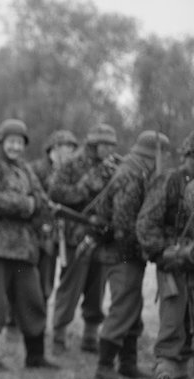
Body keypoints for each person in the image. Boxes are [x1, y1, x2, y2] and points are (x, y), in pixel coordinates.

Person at [0, 119, 57, 371]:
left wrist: (37, 208)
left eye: (20, 143)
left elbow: (41, 200)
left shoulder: (25, 169)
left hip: (23, 249)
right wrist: (25, 205)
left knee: (33, 300)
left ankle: (35, 356)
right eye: (11, 142)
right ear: (0, 142)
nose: (16, 147)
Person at [93, 130, 170, 379]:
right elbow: (124, 222)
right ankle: (104, 365)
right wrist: (147, 248)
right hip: (121, 252)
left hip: (125, 252)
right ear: (154, 155)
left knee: (132, 307)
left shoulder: (136, 171)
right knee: (123, 306)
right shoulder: (131, 175)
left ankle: (128, 363)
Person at [48, 124, 121, 353]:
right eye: (104, 145)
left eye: (111, 145)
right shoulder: (72, 164)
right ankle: (59, 335)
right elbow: (56, 193)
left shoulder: (115, 165)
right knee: (70, 287)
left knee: (96, 288)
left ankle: (90, 336)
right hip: (76, 234)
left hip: (102, 235)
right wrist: (87, 185)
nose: (108, 149)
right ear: (93, 144)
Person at [136, 131, 194, 379]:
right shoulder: (170, 180)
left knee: (190, 319)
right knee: (173, 317)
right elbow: (146, 222)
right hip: (172, 261)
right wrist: (163, 253)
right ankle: (165, 371)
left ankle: (181, 373)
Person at [29, 129, 78, 305]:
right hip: (41, 233)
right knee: (41, 280)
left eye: (73, 147)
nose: (71, 151)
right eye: (68, 147)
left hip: (64, 233)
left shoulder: (72, 171)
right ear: (55, 147)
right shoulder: (36, 168)